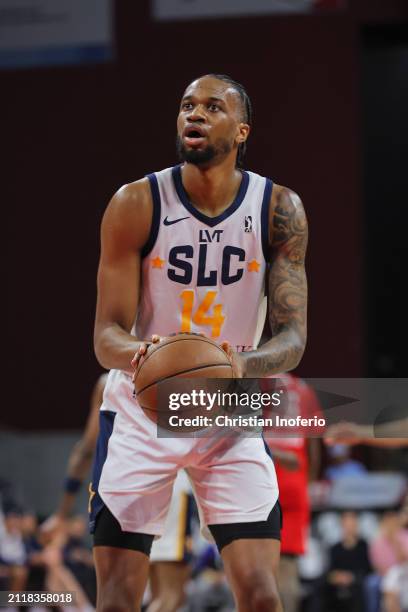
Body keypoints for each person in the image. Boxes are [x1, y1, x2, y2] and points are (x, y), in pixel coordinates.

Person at [92, 73, 308, 611]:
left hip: (228, 408)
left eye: (213, 107)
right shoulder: (135, 202)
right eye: (188, 105)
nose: (195, 114)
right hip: (146, 409)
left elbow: (294, 338)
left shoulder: (278, 209)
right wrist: (144, 355)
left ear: (241, 131)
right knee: (119, 598)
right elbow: (105, 335)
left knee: (261, 595)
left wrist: (238, 364)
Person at [42, 374, 194, 612]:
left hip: (116, 486)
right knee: (170, 595)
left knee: (117, 597)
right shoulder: (173, 373)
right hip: (167, 481)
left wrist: (62, 513)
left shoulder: (106, 382)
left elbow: (84, 451)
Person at [265, 374, 323, 612]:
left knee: (259, 566)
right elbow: (315, 445)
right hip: (296, 476)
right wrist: (307, 483)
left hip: (265, 472)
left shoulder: (257, 381)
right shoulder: (304, 388)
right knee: (288, 566)